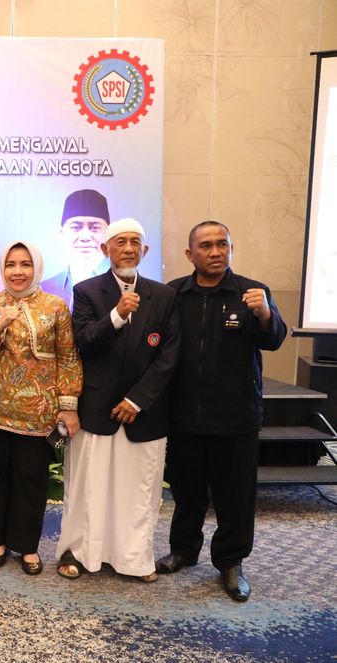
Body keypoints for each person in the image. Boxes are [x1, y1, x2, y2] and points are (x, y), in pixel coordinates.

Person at [156, 221, 287, 602]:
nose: (216, 252)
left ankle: (231, 562)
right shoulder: (173, 294)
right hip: (184, 417)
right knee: (186, 491)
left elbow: (275, 339)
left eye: (223, 245)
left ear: (231, 248)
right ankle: (183, 550)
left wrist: (265, 314)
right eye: (207, 245)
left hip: (236, 418)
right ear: (189, 254)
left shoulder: (252, 291)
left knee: (235, 497)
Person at [55, 218, 180, 582]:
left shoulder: (165, 296)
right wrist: (118, 314)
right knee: (88, 487)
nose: (127, 248)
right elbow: (85, 342)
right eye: (120, 242)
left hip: (145, 412)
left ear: (145, 251)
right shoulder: (87, 291)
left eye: (134, 242)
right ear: (104, 250)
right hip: (96, 410)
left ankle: (134, 559)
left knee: (138, 489)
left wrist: (137, 400)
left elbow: (169, 356)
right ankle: (79, 553)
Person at [0, 241, 82, 575]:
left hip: (40, 410)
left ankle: (29, 547)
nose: (17, 272)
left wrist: (68, 405)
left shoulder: (56, 306)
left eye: (25, 264)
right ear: (2, 269)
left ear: (37, 268)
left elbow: (69, 357)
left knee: (31, 479)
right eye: (10, 265)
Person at [41, 189, 111, 308]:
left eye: (94, 228)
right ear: (61, 234)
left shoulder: (121, 287)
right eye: (76, 227)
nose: (85, 237)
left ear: (109, 233)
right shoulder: (44, 290)